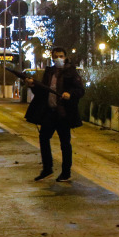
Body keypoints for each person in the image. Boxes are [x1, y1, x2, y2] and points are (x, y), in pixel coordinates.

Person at [25, 47, 85, 182]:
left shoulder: (71, 73)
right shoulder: (49, 72)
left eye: (61, 56)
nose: (59, 58)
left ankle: (66, 172)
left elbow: (80, 90)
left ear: (65, 57)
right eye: (56, 56)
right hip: (50, 112)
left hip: (63, 113)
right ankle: (47, 169)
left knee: (65, 143)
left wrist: (70, 94)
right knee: (44, 138)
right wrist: (32, 85)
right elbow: (42, 92)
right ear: (52, 57)